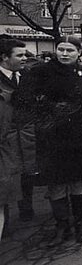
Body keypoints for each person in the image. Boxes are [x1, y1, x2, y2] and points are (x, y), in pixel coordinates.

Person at [16, 36, 82, 245]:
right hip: (52, 136)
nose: (64, 54)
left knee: (79, 180)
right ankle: (62, 226)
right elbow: (23, 100)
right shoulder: (40, 72)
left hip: (80, 135)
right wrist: (48, 109)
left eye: (69, 50)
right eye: (60, 49)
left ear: (79, 52)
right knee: (56, 183)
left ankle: (81, 223)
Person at [0, 39, 35, 228]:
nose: (24, 58)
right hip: (5, 137)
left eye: (25, 55)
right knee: (5, 178)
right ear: (5, 57)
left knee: (26, 171)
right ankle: (3, 220)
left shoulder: (26, 75)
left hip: (25, 133)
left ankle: (26, 209)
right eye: (19, 55)